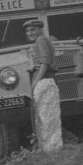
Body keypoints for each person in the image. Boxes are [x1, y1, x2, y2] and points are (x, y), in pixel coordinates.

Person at [23, 19, 63, 152]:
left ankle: (52, 148)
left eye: (33, 29)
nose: (30, 33)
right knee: (45, 115)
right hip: (45, 80)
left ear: (40, 29)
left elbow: (45, 63)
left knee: (46, 116)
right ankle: (48, 147)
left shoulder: (41, 40)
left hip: (45, 80)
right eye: (28, 30)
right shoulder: (41, 41)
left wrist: (36, 82)